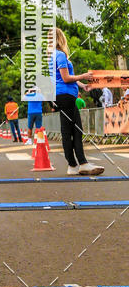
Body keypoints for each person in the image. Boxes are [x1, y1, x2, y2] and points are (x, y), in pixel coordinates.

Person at [50, 27, 103, 176]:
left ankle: (73, 165)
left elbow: (65, 78)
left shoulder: (52, 56)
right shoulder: (60, 55)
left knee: (68, 130)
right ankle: (81, 163)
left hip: (61, 95)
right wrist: (84, 75)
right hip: (65, 96)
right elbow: (66, 78)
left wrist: (82, 85)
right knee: (75, 130)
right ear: (61, 38)